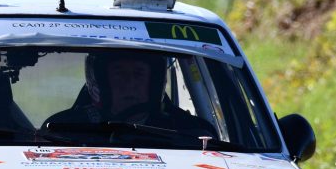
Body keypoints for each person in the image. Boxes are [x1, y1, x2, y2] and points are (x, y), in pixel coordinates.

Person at [44, 50, 215, 135]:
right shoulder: (61, 130)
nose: (130, 84)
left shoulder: (189, 132)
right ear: (100, 81)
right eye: (120, 74)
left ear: (154, 83)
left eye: (139, 74)